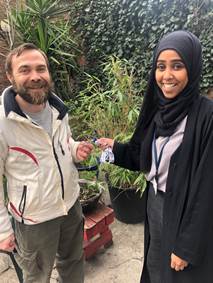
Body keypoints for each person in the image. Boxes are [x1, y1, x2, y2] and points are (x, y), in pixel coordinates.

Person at [97, 30, 213, 283]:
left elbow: (207, 189)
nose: (167, 75)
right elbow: (142, 157)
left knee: (182, 274)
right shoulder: (157, 109)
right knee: (155, 266)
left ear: (192, 68)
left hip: (185, 212)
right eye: (161, 66)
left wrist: (187, 246)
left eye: (177, 66)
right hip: (154, 203)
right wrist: (112, 149)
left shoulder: (207, 116)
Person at [0, 43, 93, 283]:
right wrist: (3, 229)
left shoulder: (57, 107)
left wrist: (74, 150)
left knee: (73, 263)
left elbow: (63, 142)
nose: (35, 76)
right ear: (10, 76)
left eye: (41, 68)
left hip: (70, 206)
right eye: (25, 70)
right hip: (34, 220)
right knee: (37, 277)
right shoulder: (3, 122)